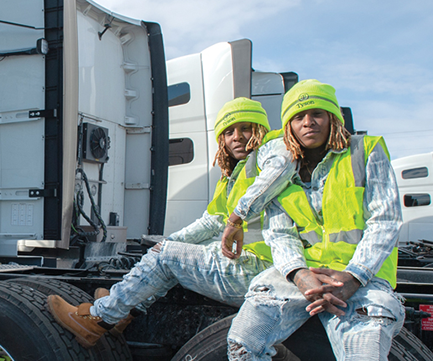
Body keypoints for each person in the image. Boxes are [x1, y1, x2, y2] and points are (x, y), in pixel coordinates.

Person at [205, 80, 403, 361]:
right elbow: (279, 230)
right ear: (287, 125)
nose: (307, 122)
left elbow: (386, 219)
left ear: (334, 118)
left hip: (359, 280)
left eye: (316, 113)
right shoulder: (282, 165)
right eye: (297, 115)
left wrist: (352, 278)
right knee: (243, 343)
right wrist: (300, 275)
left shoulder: (365, 152)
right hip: (300, 276)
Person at [47, 98, 290, 347]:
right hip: (249, 264)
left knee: (167, 256)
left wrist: (237, 216)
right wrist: (167, 243)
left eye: (246, 129)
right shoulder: (233, 175)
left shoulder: (272, 150)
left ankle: (97, 320)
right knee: (170, 254)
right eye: (228, 132)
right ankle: (124, 312)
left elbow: (279, 168)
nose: (237, 137)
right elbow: (211, 222)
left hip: (262, 270)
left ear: (260, 130)